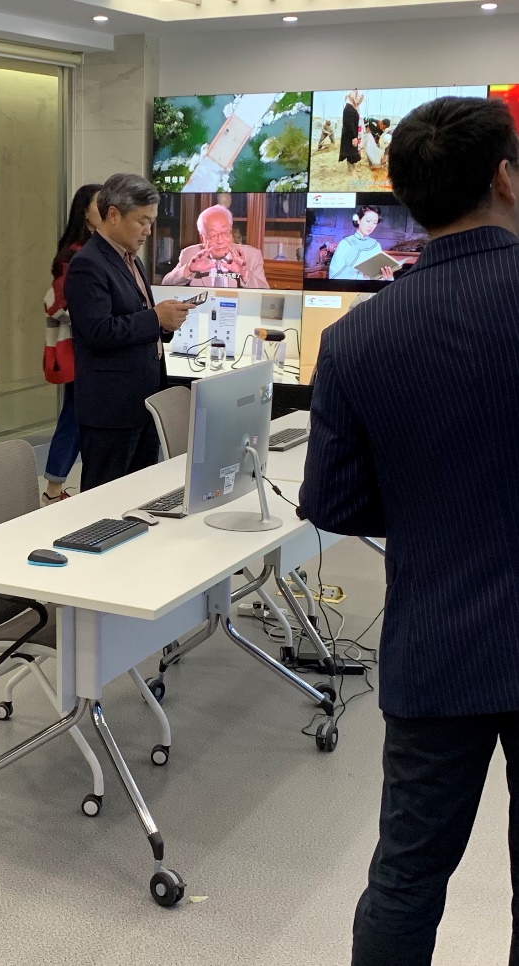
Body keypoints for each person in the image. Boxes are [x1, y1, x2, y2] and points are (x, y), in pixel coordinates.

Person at [299, 95, 519, 966]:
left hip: (436, 641)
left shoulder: (357, 338)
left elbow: (332, 505)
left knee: (406, 876)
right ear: (504, 177)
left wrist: (426, 502)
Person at [64, 173, 190, 492]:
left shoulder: (131, 259)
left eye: (151, 222)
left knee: (140, 495)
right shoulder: (87, 264)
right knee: (104, 500)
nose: (148, 231)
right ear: (113, 215)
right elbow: (98, 331)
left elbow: (135, 319)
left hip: (144, 403)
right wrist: (155, 318)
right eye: (142, 222)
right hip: (111, 409)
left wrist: (165, 323)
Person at [42, 183, 102, 505]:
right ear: (84, 212)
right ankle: (53, 488)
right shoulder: (78, 254)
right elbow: (57, 303)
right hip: (82, 350)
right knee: (74, 417)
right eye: (100, 204)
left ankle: (56, 487)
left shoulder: (95, 248)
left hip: (89, 350)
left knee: (77, 416)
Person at [161, 204, 269, 289]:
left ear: (231, 232)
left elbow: (266, 295)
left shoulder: (252, 256)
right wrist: (189, 269)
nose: (220, 241)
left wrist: (244, 273)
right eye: (213, 235)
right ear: (202, 238)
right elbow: (165, 285)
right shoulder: (190, 254)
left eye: (225, 233)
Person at [328, 206, 395, 280]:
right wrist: (361, 275)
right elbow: (334, 275)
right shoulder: (345, 243)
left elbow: (379, 275)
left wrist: (386, 277)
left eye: (375, 223)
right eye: (368, 221)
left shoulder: (376, 245)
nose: (371, 226)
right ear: (359, 220)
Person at [340, 90, 364, 175]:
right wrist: (353, 136)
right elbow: (349, 124)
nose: (359, 101)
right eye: (359, 99)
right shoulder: (348, 108)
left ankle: (354, 168)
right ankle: (350, 170)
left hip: (353, 134)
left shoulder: (353, 108)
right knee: (350, 153)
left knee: (354, 152)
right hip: (349, 135)